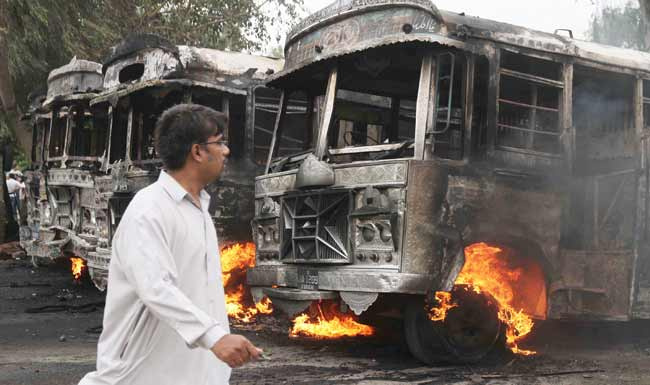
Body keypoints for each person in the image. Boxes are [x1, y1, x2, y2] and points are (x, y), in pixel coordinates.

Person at [79, 104, 262, 385]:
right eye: (220, 142)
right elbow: (156, 287)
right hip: (142, 375)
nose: (226, 151)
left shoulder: (198, 208)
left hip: (197, 374)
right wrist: (214, 337)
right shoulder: (149, 209)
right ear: (197, 151)